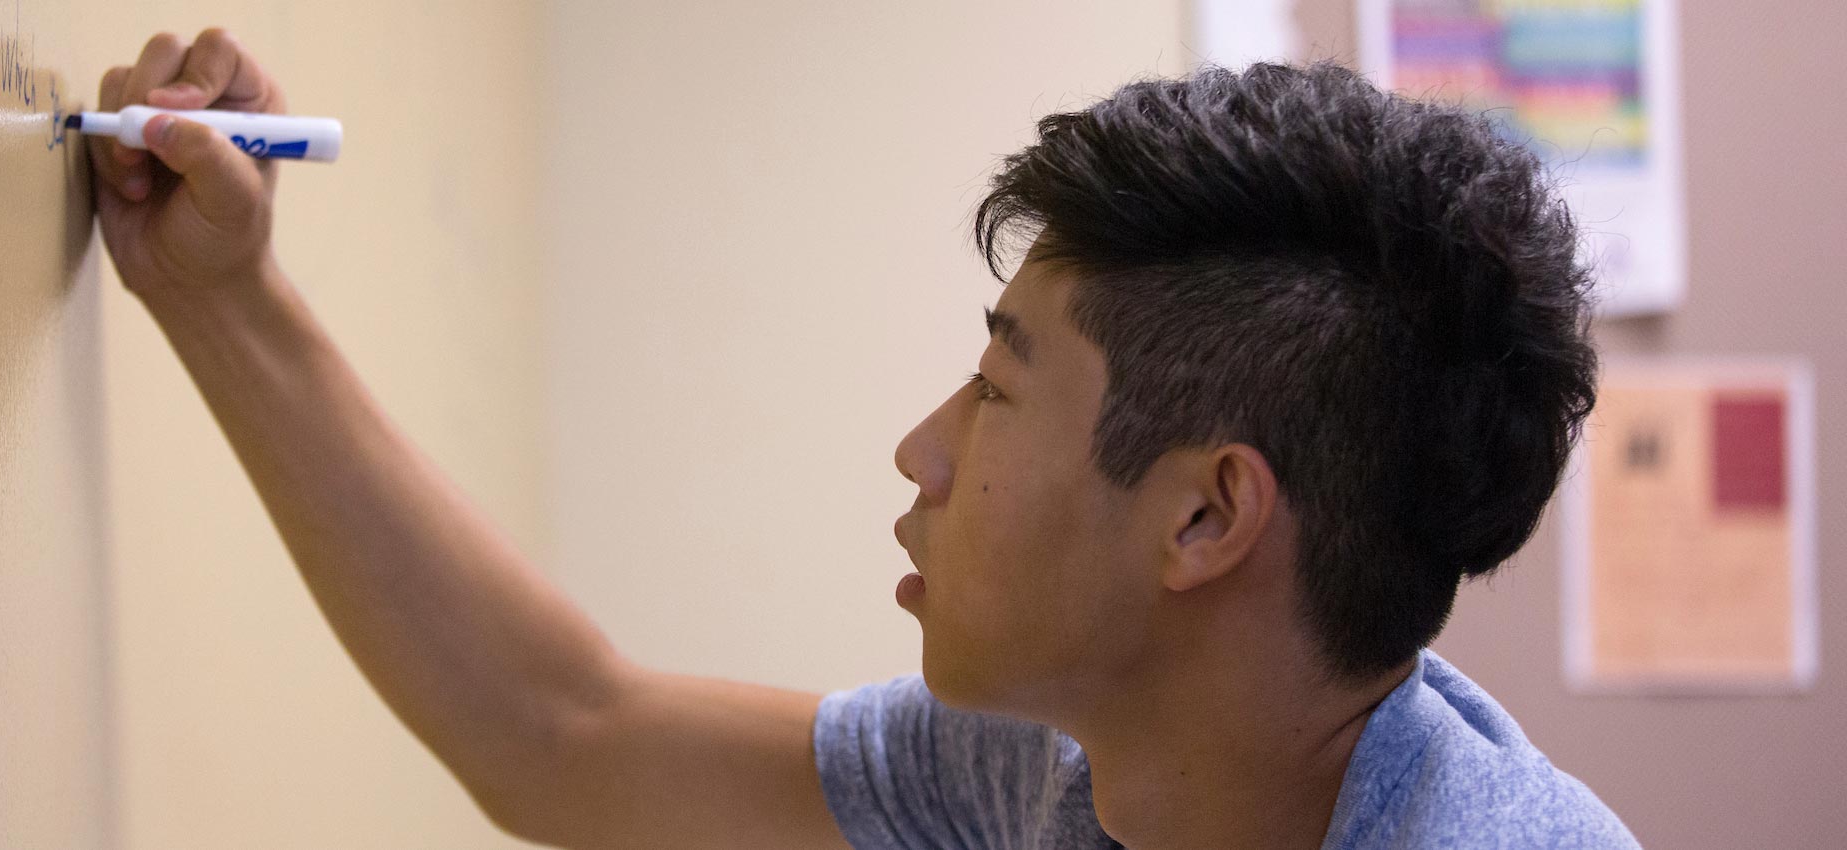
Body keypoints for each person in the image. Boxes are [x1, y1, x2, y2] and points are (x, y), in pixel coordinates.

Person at [86, 28, 1640, 850]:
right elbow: (563, 736)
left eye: (999, 386)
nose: (923, 450)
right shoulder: (1066, 771)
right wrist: (224, 298)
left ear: (1201, 520)